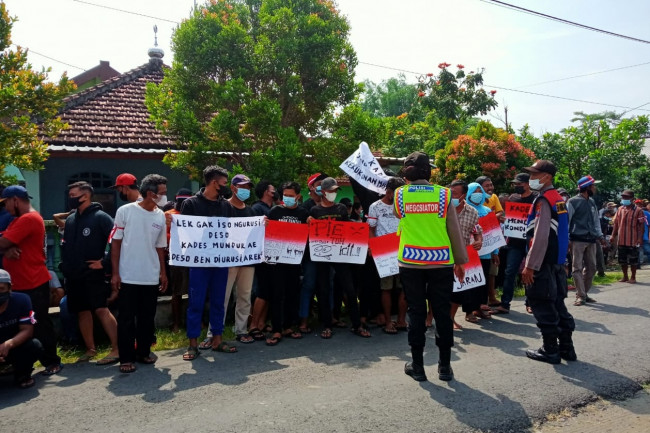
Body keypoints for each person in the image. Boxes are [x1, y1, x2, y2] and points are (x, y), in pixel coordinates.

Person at [395, 152, 467, 382]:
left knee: (416, 313)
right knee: (442, 313)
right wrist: (460, 261)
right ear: (429, 171)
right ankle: (444, 367)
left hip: (410, 261)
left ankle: (417, 366)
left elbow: (400, 215)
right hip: (441, 261)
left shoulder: (399, 195)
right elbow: (453, 229)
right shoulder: (444, 194)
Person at [0, 185, 62, 376]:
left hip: (31, 282)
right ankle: (25, 361)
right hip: (22, 282)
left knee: (40, 324)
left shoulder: (28, 219)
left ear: (15, 200)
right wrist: (6, 248)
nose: (5, 208)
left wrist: (4, 246)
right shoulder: (21, 219)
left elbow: (2, 241)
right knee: (24, 325)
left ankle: (52, 361)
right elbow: (5, 242)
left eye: (5, 203)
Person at [111, 174, 168, 373]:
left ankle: (143, 352)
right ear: (150, 193)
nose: (164, 196)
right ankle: (126, 358)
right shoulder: (125, 211)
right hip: (128, 275)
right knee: (126, 319)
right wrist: (115, 273)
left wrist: (163, 272)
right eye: (161, 193)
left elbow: (160, 246)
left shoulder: (160, 215)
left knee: (147, 318)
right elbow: (116, 243)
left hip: (150, 276)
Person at [521, 160, 576, 364]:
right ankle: (567, 349)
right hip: (556, 262)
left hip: (543, 263)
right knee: (557, 304)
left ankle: (550, 350)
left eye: (535, 175)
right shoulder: (558, 199)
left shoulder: (544, 200)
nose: (531, 178)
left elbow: (541, 235)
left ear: (547, 177)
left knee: (543, 304)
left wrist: (530, 265)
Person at [60, 181, 119, 364]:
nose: (70, 199)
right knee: (82, 311)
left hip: (93, 274)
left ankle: (117, 349)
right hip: (74, 275)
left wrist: (105, 262)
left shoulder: (101, 217)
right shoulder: (70, 219)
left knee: (101, 309)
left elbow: (116, 241)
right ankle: (90, 349)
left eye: (73, 195)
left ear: (85, 196)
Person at [180, 166, 235, 361]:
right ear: (214, 182)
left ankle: (217, 339)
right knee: (196, 302)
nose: (226, 186)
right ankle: (193, 344)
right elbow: (184, 232)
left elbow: (230, 232)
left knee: (219, 301)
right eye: (224, 183)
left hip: (220, 260)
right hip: (199, 262)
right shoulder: (191, 204)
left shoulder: (225, 206)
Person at [308, 177, 370, 339]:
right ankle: (327, 325)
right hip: (322, 255)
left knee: (349, 289)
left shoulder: (341, 208)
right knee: (323, 290)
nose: (334, 193)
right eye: (332, 191)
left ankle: (356, 325)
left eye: (336, 191)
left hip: (341, 255)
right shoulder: (315, 211)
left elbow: (348, 228)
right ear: (323, 192)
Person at [266, 181, 310, 346]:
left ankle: (289, 326)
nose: (288, 198)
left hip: (294, 261)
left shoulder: (303, 213)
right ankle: (277, 328)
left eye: (291, 196)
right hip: (277, 262)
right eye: (286, 196)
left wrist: (310, 221)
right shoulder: (275, 211)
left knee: (293, 294)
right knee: (277, 295)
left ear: (298, 196)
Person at [367, 177, 408, 334]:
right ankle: (388, 321)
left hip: (403, 251)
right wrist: (372, 246)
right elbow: (371, 229)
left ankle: (401, 320)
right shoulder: (375, 207)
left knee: (404, 287)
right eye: (397, 194)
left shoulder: (404, 206)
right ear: (389, 192)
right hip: (383, 253)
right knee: (386, 288)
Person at [493, 173, 537, 314]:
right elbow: (511, 218)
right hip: (515, 241)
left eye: (520, 184)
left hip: (531, 241)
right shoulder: (513, 198)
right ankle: (505, 304)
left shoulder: (536, 199)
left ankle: (530, 302)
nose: (517, 186)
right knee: (509, 272)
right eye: (515, 184)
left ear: (528, 184)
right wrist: (505, 221)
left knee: (530, 273)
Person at [224, 175, 256, 344]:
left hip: (247, 260)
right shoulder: (223, 207)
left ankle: (241, 330)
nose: (246, 190)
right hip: (227, 260)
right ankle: (214, 333)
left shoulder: (250, 211)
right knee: (223, 297)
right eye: (243, 186)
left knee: (244, 295)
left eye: (248, 187)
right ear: (233, 187)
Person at [0, 269, 43, 389]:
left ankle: (23, 375)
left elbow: (27, 330)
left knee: (34, 345)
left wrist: (8, 344)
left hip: (13, 347)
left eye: (1, 289)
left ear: (10, 288)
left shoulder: (21, 300)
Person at [448, 180, 482, 328]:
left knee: (458, 290)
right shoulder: (442, 209)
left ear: (463, 195)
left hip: (462, 257)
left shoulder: (472, 212)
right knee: (439, 289)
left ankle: (450, 319)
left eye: (454, 193)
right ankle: (430, 318)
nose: (451, 195)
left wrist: (478, 241)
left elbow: (477, 231)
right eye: (450, 192)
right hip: (443, 256)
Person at [566, 176, 605, 306]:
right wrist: (566, 240)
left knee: (592, 267)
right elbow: (567, 221)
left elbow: (596, 221)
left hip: (591, 239)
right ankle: (581, 295)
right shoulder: (572, 202)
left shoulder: (592, 202)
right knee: (576, 267)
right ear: (587, 187)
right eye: (593, 186)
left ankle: (583, 293)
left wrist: (600, 236)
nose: (595, 188)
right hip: (577, 239)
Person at [164, 188, 192, 333]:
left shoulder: (194, 215)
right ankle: (176, 323)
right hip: (176, 259)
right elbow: (162, 237)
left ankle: (195, 322)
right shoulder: (168, 215)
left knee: (194, 290)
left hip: (194, 258)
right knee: (177, 291)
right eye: (181, 200)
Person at [475, 176, 503, 307]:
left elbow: (500, 214)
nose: (490, 188)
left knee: (490, 273)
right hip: (474, 248)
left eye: (491, 185)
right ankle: (473, 307)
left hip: (490, 244)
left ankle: (488, 299)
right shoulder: (468, 208)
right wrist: (491, 218)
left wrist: (489, 218)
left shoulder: (492, 200)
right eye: (487, 186)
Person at [610, 190, 645, 284]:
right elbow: (616, 224)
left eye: (626, 197)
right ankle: (625, 276)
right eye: (623, 197)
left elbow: (641, 226)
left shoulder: (639, 210)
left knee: (633, 260)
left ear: (632, 199)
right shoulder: (620, 209)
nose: (624, 199)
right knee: (622, 260)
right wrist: (613, 235)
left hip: (633, 240)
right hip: (621, 239)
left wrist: (639, 238)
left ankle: (633, 277)